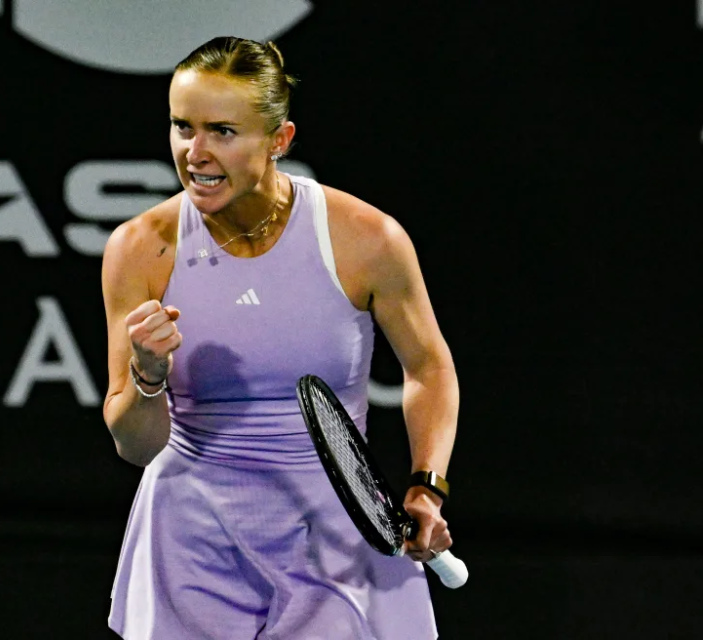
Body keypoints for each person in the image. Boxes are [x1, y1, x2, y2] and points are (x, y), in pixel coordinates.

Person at [100, 36, 459, 640]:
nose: (195, 153)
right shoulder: (140, 249)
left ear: (279, 140)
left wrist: (427, 488)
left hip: (335, 530)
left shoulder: (367, 239)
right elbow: (136, 448)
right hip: (191, 539)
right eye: (183, 127)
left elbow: (430, 369)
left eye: (222, 131)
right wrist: (148, 376)